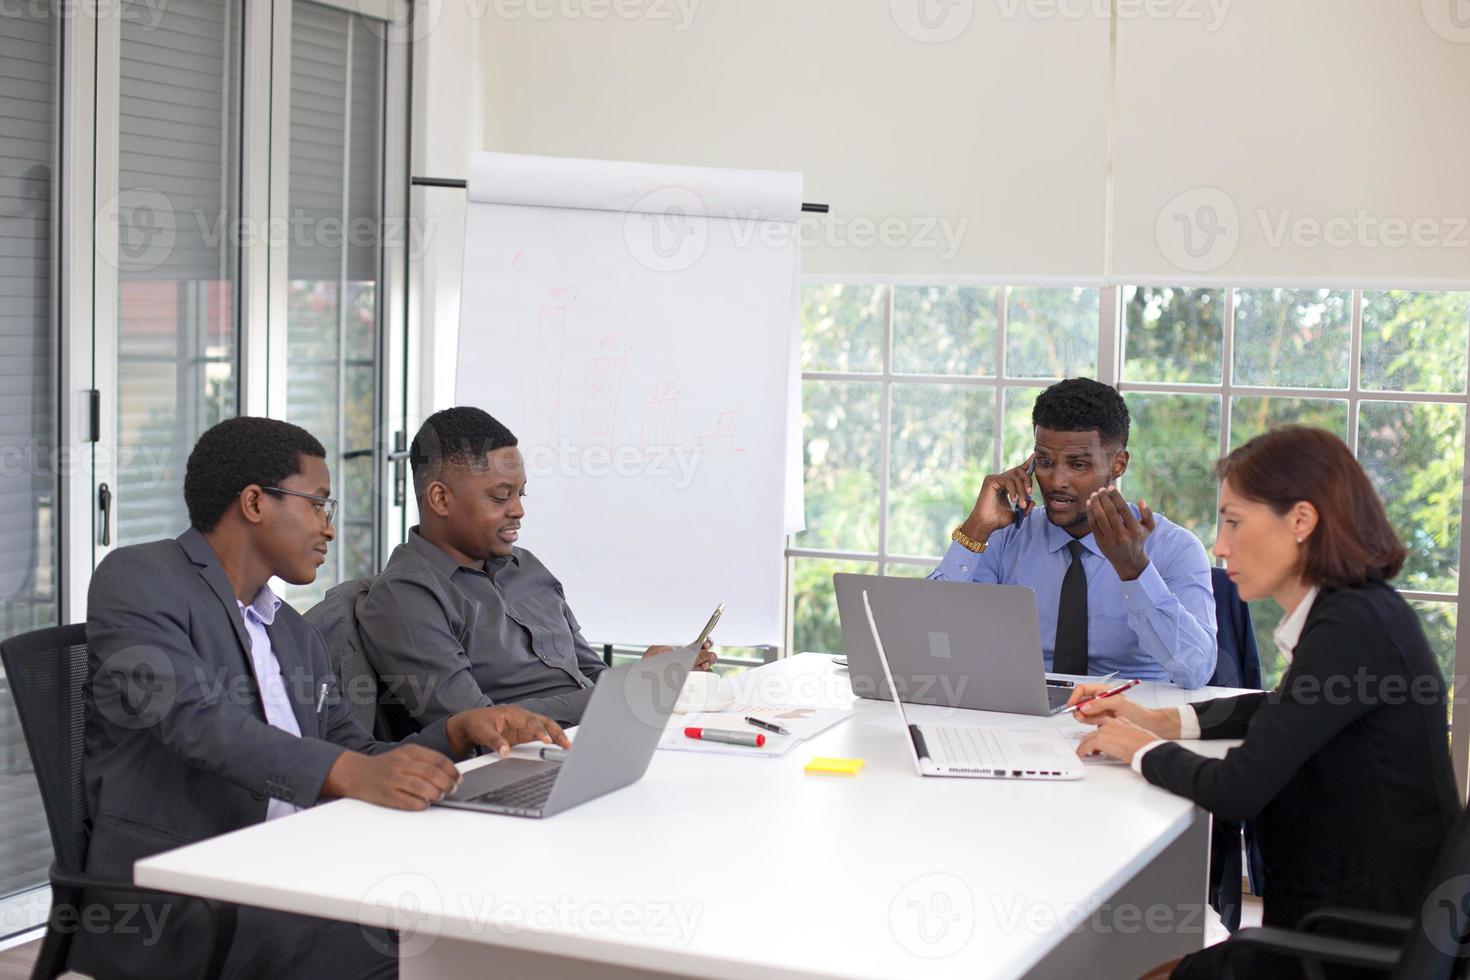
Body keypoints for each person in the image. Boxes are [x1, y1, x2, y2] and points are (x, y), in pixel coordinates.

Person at [78, 417, 569, 980]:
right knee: (432, 952)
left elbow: (352, 750)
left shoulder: (290, 630)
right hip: (183, 898)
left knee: (490, 929)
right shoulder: (142, 578)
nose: (329, 529)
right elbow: (196, 719)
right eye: (318, 504)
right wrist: (347, 771)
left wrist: (456, 731)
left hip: (301, 871)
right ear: (255, 503)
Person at [1070, 426, 1462, 979]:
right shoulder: (1361, 613)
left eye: (1233, 521)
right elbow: (1283, 705)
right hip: (1370, 924)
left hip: (1354, 945)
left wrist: (1140, 747)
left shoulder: (1351, 625)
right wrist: (1158, 718)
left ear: (1301, 521)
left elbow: (1235, 789)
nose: (1221, 545)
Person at [358, 407, 715, 735]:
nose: (518, 510)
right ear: (441, 499)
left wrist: (652, 680)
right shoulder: (406, 596)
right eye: (500, 497)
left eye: (520, 495)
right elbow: (481, 728)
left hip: (596, 739)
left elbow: (588, 674)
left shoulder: (525, 567)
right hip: (517, 764)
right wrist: (622, 691)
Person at [930, 378, 1217, 687]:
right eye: (1044, 461)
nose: (1056, 481)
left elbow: (1196, 670)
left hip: (1128, 718)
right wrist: (976, 528)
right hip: (1023, 714)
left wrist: (1135, 571)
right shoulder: (1005, 536)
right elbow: (927, 641)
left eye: (1078, 465)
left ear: (1118, 464)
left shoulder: (1174, 548)